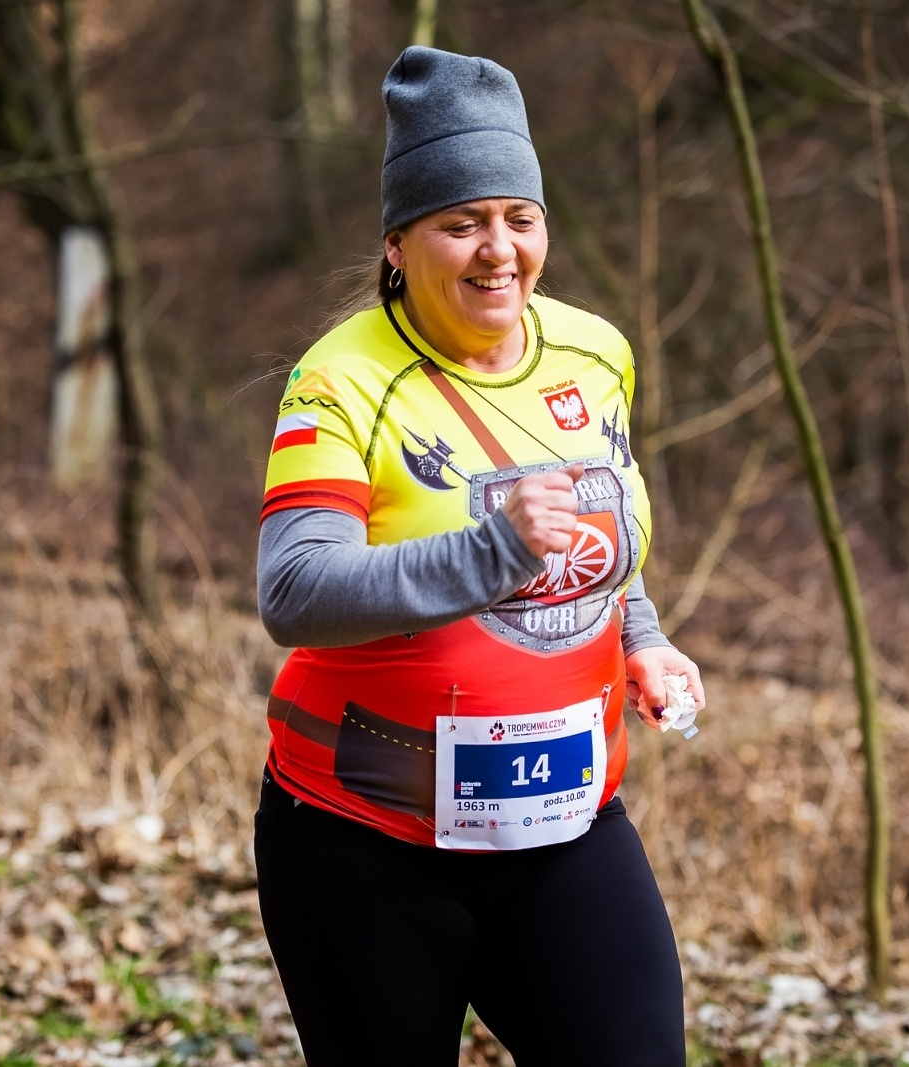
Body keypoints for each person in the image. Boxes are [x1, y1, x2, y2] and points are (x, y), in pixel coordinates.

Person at [254, 45, 705, 1067]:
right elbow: (292, 589)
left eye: (519, 216)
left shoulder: (595, 353)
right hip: (364, 840)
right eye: (461, 222)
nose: (497, 249)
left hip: (565, 823)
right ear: (398, 242)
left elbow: (600, 535)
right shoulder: (340, 380)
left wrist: (642, 633)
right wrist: (488, 551)